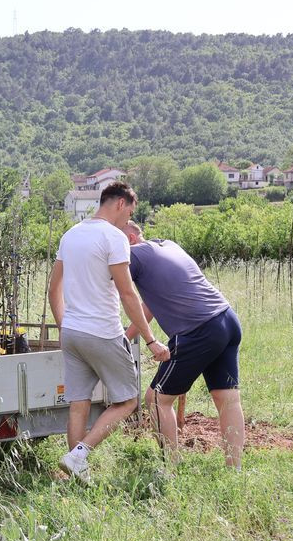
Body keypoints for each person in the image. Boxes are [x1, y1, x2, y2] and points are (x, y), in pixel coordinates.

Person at [47, 182, 170, 484]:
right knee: (128, 400)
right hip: (102, 332)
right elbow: (128, 294)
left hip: (73, 333)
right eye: (130, 211)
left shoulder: (71, 234)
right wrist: (151, 340)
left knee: (79, 403)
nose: (129, 219)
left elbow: (53, 289)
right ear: (119, 204)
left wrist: (65, 325)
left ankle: (77, 473)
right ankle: (79, 455)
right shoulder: (113, 237)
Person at [121, 222, 244, 468]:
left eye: (115, 240)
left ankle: (171, 468)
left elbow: (123, 292)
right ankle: (235, 469)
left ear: (131, 238)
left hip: (198, 331)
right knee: (227, 398)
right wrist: (125, 337)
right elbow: (149, 306)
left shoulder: (134, 254)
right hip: (226, 319)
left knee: (157, 398)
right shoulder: (167, 245)